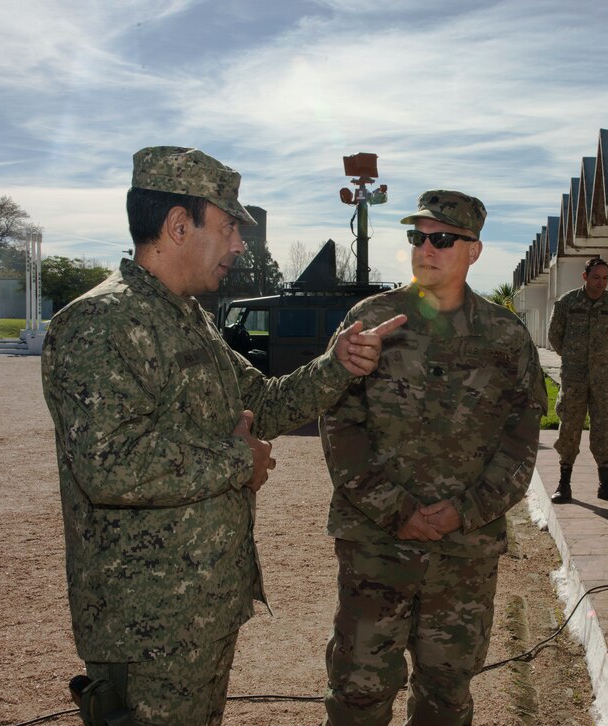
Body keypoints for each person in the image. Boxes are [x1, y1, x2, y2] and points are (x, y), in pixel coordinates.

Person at [41, 146, 404, 726]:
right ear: (178, 226)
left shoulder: (187, 316)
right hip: (147, 622)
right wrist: (241, 460)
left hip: (200, 604)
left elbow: (263, 401)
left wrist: (338, 364)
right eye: (230, 226)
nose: (239, 245)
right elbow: (109, 462)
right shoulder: (99, 322)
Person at [320, 190, 547, 725]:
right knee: (359, 693)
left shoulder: (505, 335)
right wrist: (398, 510)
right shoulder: (371, 320)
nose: (427, 248)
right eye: (417, 237)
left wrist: (463, 511)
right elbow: (339, 423)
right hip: (377, 545)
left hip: (463, 552)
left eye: (442, 238)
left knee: (446, 693)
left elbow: (521, 437)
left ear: (474, 250)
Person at [546, 256, 608, 504]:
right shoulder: (567, 303)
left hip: (603, 379)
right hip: (573, 377)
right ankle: (564, 483)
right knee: (570, 426)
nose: (601, 282)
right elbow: (555, 336)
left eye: (605, 278)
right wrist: (574, 357)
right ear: (585, 277)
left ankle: (605, 483)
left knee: (604, 427)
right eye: (596, 277)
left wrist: (601, 358)